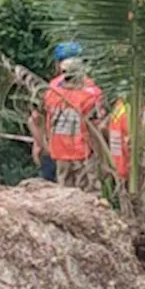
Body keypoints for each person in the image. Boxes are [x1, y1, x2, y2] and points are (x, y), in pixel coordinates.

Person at [39, 57, 104, 192]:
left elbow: (44, 117)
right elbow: (95, 128)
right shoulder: (90, 96)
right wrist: (101, 155)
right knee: (89, 194)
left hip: (60, 152)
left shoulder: (52, 92)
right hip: (83, 153)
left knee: (65, 193)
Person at [31, 42, 86, 182]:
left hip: (60, 153)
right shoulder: (92, 89)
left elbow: (36, 118)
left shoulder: (51, 89)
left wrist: (40, 144)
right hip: (83, 154)